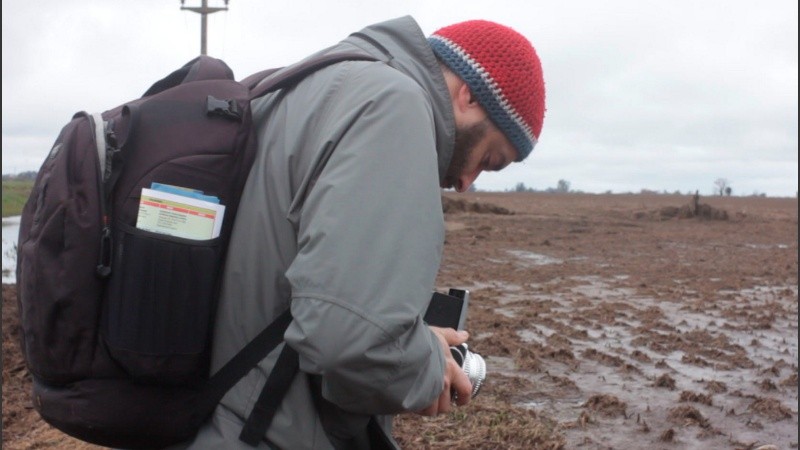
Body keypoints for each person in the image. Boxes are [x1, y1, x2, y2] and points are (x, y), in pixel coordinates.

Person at [174, 15, 545, 449]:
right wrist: (431, 364)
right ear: (469, 96)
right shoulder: (395, 106)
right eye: (488, 159)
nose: (467, 183)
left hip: (203, 419)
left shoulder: (312, 84)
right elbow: (349, 341)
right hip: (262, 433)